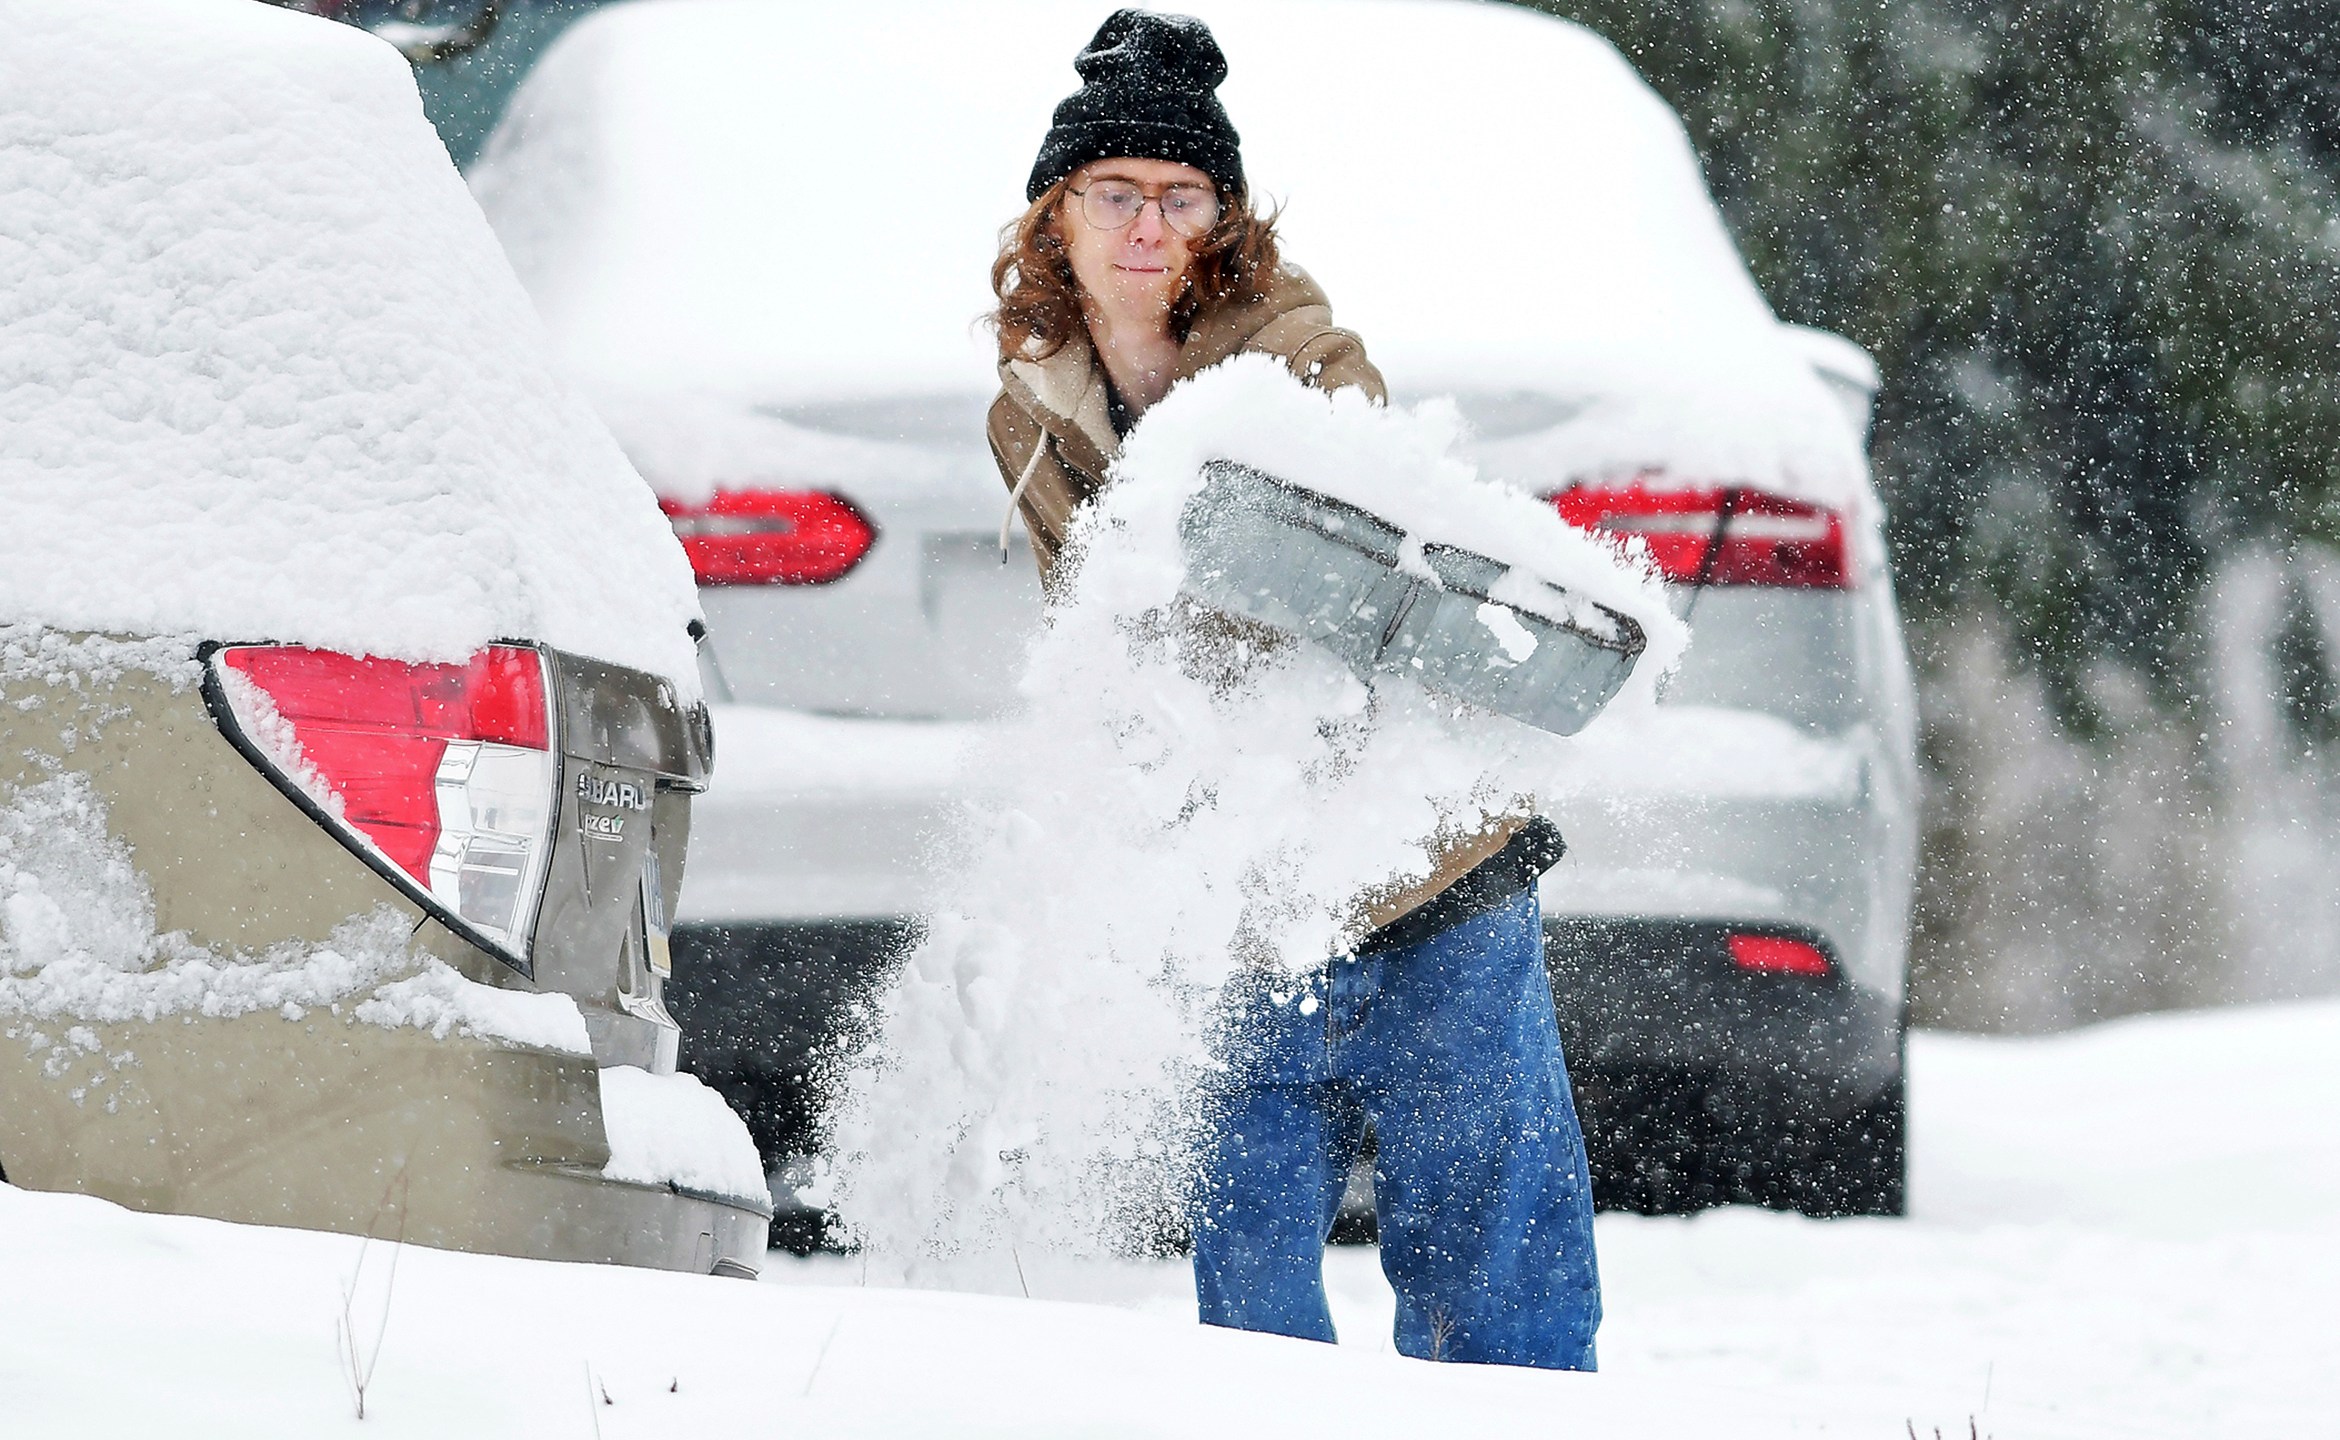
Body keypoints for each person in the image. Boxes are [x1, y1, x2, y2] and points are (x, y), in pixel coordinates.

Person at [985, 8, 1600, 1371]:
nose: (1147, 226)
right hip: (1247, 888)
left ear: (1224, 219)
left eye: (1182, 196)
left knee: (1488, 1261)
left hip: (1428, 858)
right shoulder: (1031, 407)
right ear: (1058, 215)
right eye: (1115, 194)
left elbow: (1369, 595)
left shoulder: (1303, 361)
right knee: (1251, 1274)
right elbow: (1096, 636)